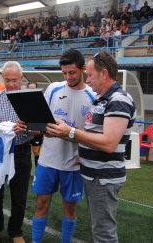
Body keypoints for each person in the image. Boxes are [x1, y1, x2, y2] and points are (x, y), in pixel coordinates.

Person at [46, 51, 136, 242]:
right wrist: (61, 129)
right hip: (93, 174)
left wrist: (69, 132)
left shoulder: (119, 99)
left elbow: (109, 143)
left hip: (103, 177)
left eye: (90, 75)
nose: (87, 79)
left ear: (103, 73)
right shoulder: (101, 99)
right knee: (100, 229)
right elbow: (90, 137)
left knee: (104, 234)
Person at [30, 49, 96, 243]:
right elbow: (40, 121)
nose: (68, 77)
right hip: (48, 160)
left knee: (70, 207)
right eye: (64, 73)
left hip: (74, 164)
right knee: (41, 203)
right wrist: (32, 127)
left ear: (83, 69)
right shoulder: (53, 89)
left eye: (72, 72)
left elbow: (93, 136)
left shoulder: (93, 96)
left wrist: (71, 135)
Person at [0, 61, 33, 243]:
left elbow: (41, 128)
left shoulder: (30, 99)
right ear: (2, 78)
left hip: (22, 151)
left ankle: (16, 231)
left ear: (22, 78)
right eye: (8, 80)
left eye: (15, 80)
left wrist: (27, 129)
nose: (11, 84)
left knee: (19, 196)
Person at [27, 81, 43, 168]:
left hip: (36, 126)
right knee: (24, 150)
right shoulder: (24, 99)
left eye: (34, 88)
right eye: (30, 88)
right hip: (25, 127)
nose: (32, 90)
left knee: (36, 151)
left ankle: (37, 172)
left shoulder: (41, 99)